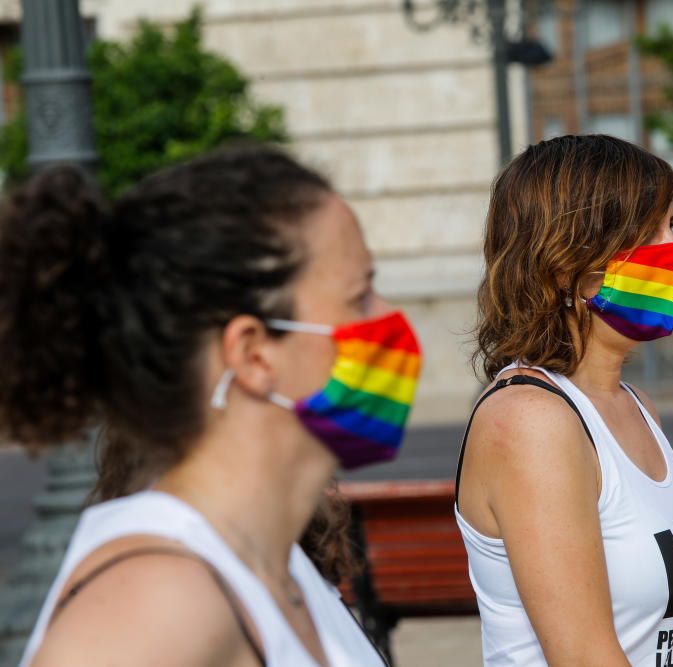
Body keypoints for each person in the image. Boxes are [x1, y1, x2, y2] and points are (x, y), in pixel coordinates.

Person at [0, 144, 422, 667]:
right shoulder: (153, 607)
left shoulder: (271, 566)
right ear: (252, 353)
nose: (388, 317)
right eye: (360, 296)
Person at [455, 134, 673, 666]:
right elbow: (584, 656)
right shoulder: (531, 421)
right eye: (651, 231)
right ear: (568, 262)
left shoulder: (635, 406)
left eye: (672, 225)